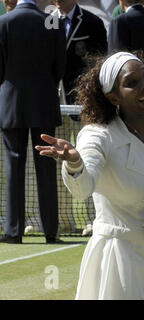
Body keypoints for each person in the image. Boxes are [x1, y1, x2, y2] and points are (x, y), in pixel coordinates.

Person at [35, 52, 144, 299]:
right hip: (118, 263)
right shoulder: (97, 135)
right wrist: (74, 162)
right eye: (131, 82)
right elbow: (82, 188)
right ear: (113, 97)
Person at [0, 0, 66, 244]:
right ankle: (51, 230)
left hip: (11, 103)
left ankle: (13, 231)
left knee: (13, 167)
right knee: (46, 167)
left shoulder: (4, 22)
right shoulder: (52, 23)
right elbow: (60, 68)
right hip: (44, 101)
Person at [55, 0, 107, 235]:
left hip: (82, 102)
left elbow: (99, 64)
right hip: (53, 103)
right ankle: (63, 220)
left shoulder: (92, 22)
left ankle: (90, 219)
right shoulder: (44, 22)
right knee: (58, 158)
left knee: (86, 158)